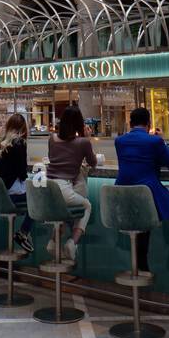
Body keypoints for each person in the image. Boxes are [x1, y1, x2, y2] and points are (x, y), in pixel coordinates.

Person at [114, 107, 169, 271]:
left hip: (122, 197)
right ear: (149, 123)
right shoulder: (155, 141)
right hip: (147, 196)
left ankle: (139, 264)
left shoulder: (119, 141)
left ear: (130, 123)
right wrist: (163, 142)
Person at [46, 105, 96, 265]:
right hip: (63, 188)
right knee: (86, 206)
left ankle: (54, 242)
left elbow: (53, 158)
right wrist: (87, 138)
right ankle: (72, 242)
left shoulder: (52, 139)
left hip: (47, 189)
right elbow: (92, 162)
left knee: (62, 211)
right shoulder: (82, 143)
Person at [0, 113, 33, 253]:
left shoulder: (2, 143)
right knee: (38, 200)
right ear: (23, 128)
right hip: (11, 196)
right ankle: (23, 232)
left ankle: (24, 235)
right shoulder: (20, 143)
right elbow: (21, 173)